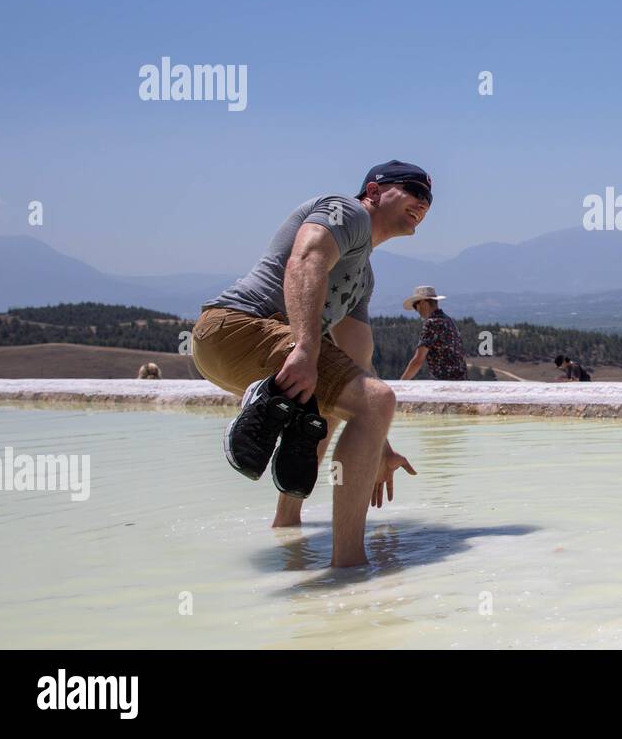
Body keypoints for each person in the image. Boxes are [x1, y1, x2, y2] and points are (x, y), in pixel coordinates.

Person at [191, 160, 430, 568]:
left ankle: (286, 522)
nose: (423, 202)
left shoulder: (363, 277)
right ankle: (350, 566)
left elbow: (358, 362)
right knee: (372, 400)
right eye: (413, 190)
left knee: (343, 407)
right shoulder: (346, 211)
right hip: (238, 325)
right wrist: (305, 348)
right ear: (373, 191)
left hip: (234, 342)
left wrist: (381, 448)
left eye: (428, 199)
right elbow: (306, 258)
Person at [399, 285, 468, 380]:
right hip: (461, 381)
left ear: (423, 303)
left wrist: (402, 382)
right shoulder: (448, 320)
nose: (416, 311)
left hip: (445, 383)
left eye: (415, 306)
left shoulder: (432, 323)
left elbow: (418, 360)